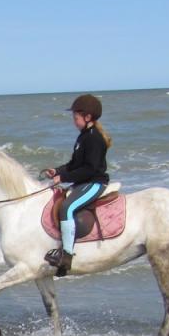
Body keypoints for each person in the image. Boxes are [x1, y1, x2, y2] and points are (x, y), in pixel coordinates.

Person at [41, 93, 112, 276]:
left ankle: (67, 256)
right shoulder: (83, 137)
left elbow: (89, 169)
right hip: (84, 182)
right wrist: (57, 171)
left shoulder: (94, 138)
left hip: (95, 183)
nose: (74, 120)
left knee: (67, 207)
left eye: (76, 117)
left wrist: (64, 178)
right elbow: (74, 164)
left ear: (87, 117)